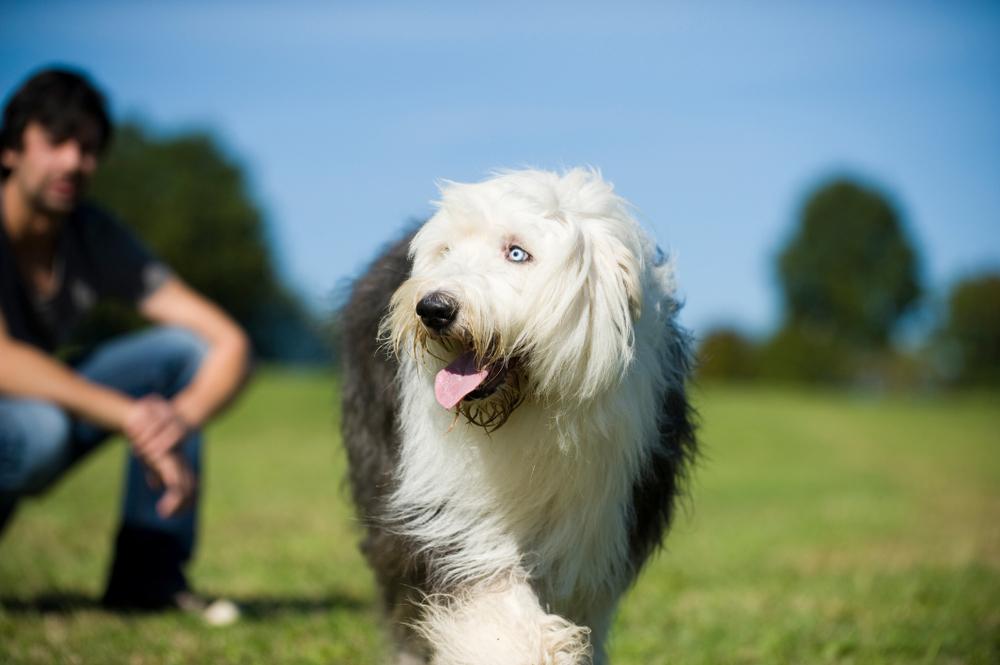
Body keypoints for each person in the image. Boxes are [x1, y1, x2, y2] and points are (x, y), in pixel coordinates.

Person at [0, 67, 251, 622]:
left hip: (33, 417)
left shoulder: (92, 235)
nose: (73, 162)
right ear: (11, 149)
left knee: (182, 354)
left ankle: (148, 580)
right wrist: (132, 416)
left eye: (88, 148)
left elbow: (228, 341)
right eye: (57, 141)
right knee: (41, 432)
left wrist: (176, 420)